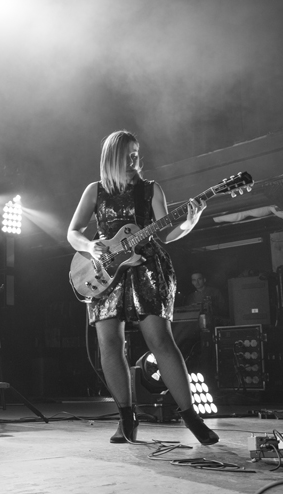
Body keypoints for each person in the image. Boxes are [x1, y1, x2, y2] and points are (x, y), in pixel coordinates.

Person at [67, 131, 218, 445]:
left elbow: (167, 232)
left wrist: (191, 220)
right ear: (112, 157)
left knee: (160, 340)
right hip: (105, 269)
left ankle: (191, 417)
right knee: (109, 344)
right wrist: (90, 247)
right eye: (128, 154)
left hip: (147, 265)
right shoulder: (94, 190)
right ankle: (126, 419)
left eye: (137, 153)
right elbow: (73, 231)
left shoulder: (151, 189)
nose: (135, 159)